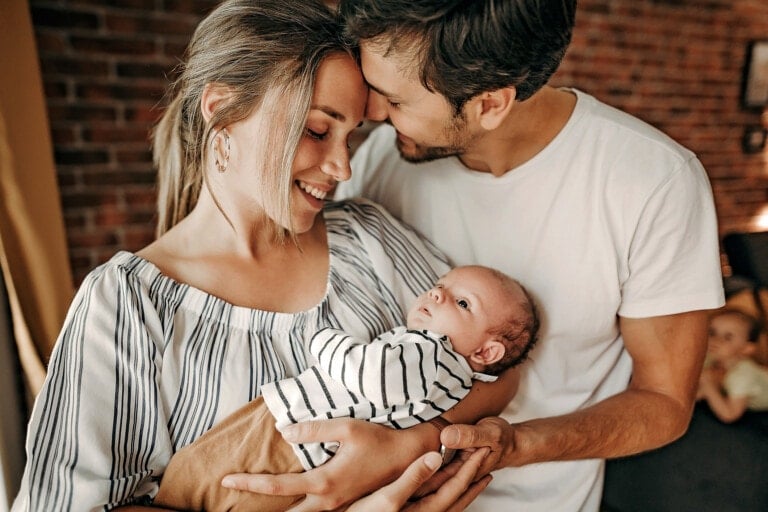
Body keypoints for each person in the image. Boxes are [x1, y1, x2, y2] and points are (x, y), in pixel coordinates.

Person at [11, 1, 516, 510]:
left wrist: (410, 445)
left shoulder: (370, 237)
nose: (342, 167)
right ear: (223, 111)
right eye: (318, 131)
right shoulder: (126, 306)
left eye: (351, 136)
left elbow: (500, 367)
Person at [221, 1, 725, 510]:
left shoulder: (653, 183)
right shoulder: (377, 162)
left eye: (395, 101)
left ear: (490, 104)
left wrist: (514, 444)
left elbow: (663, 403)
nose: (372, 113)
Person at [152, 265, 540, 511]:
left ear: (487, 352)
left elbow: (371, 375)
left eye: (461, 302)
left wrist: (322, 339)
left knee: (196, 478)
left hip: (290, 437)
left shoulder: (434, 355)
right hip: (304, 450)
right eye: (439, 285)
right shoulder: (447, 373)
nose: (436, 294)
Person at [697, 308, 768, 423]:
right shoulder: (714, 358)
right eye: (712, 332)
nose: (716, 340)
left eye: (728, 337)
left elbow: (730, 414)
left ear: (746, 349)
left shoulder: (743, 375)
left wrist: (708, 387)